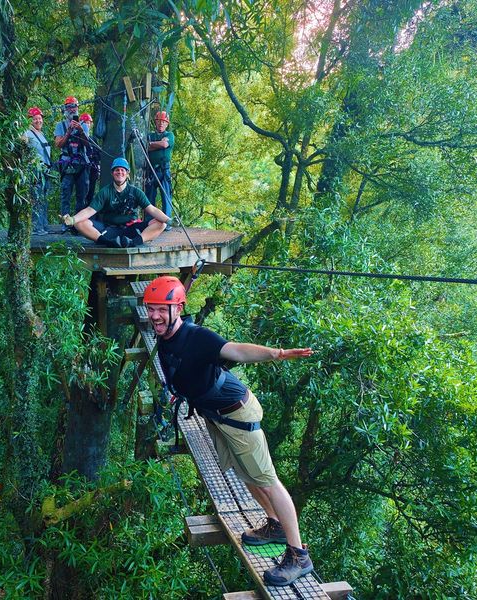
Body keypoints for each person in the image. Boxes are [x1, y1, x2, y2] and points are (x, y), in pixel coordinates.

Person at [144, 275, 315, 587]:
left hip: (237, 412)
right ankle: (273, 525)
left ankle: (298, 555)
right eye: (151, 309)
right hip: (215, 414)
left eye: (162, 309)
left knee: (269, 480)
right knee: (242, 471)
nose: (154, 315)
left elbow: (236, 351)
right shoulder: (163, 335)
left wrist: (276, 354)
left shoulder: (197, 337)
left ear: (178, 309)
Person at [61, 157, 169, 248]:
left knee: (161, 223)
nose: (120, 172)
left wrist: (169, 220)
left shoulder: (136, 192)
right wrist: (72, 219)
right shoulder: (105, 192)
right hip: (109, 230)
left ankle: (134, 242)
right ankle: (107, 242)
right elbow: (89, 210)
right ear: (112, 173)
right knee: (79, 223)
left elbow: (152, 209)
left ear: (127, 173)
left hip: (131, 229)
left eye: (123, 170)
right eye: (117, 170)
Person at [54, 96, 91, 232]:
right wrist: (69, 131)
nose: (72, 109)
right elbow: (58, 144)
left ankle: (78, 225)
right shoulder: (61, 125)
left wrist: (81, 130)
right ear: (65, 109)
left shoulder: (84, 125)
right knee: (66, 194)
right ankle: (65, 224)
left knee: (82, 195)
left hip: (81, 163)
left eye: (74, 107)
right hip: (67, 163)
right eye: (69, 107)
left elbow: (88, 145)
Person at [24, 106, 51, 235]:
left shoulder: (41, 134)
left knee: (43, 197)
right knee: (37, 197)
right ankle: (36, 227)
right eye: (35, 119)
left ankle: (43, 225)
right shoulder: (27, 133)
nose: (38, 121)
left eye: (39, 118)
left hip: (44, 169)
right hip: (35, 169)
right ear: (30, 120)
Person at [146, 111, 174, 230]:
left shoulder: (170, 135)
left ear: (167, 124)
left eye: (163, 122)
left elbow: (164, 145)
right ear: (155, 122)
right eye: (159, 121)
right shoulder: (150, 134)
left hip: (164, 170)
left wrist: (152, 144)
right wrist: (153, 145)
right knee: (149, 197)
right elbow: (145, 148)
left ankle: (167, 222)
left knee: (166, 196)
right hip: (151, 170)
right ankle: (148, 221)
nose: (161, 123)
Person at [79, 113, 101, 208]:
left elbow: (98, 154)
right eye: (85, 123)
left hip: (93, 169)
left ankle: (90, 213)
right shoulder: (77, 137)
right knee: (82, 192)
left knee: (91, 191)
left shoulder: (93, 139)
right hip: (82, 169)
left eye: (88, 123)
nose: (87, 125)